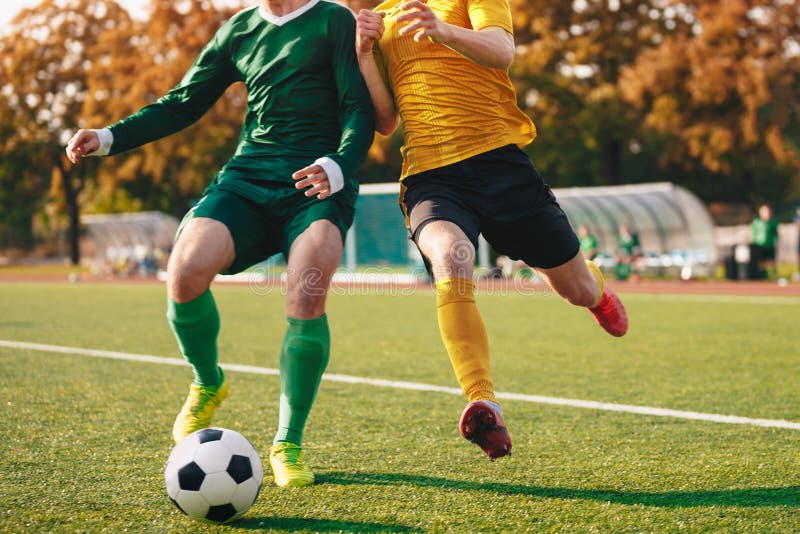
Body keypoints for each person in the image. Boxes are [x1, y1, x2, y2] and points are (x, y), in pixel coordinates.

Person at [66, 0, 374, 487]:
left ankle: (287, 444)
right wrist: (107, 137)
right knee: (185, 270)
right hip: (247, 178)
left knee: (308, 283)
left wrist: (339, 166)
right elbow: (184, 102)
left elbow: (360, 108)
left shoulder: (333, 19)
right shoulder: (239, 30)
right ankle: (208, 381)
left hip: (316, 183)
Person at [355, 0, 627, 461]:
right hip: (431, 177)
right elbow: (385, 122)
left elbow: (502, 50)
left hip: (500, 164)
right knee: (451, 256)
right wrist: (364, 53)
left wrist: (444, 30)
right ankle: (481, 399)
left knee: (575, 289)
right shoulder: (379, 20)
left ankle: (596, 290)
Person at [750, 203, 779, 279]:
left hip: (770, 244)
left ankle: (774, 275)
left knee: (772, 260)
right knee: (761, 262)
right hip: (759, 245)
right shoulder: (756, 221)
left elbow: (776, 234)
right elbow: (753, 233)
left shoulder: (773, 222)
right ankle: (762, 276)